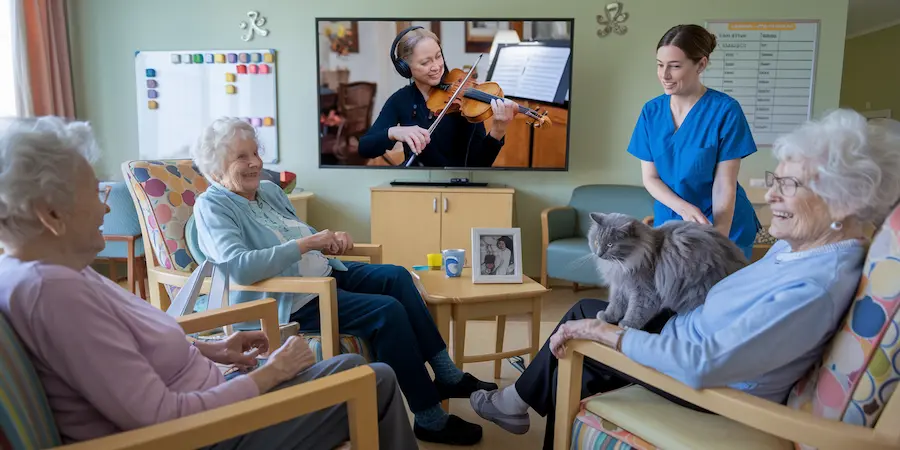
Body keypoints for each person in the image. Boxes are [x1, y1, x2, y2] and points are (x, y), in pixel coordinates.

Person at [469, 109, 900, 449]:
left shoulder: (816, 285)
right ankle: (516, 403)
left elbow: (703, 365)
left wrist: (611, 336)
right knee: (585, 314)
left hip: (708, 387)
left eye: (788, 185)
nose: (769, 195)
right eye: (774, 180)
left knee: (583, 339)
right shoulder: (802, 248)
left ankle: (513, 404)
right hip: (685, 335)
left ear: (846, 201)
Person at [0, 116, 418, 450]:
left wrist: (209, 348)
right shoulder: (53, 293)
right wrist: (271, 374)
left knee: (353, 365)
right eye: (94, 193)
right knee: (372, 380)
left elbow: (122, 349)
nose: (104, 206)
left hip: (212, 397)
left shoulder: (57, 272)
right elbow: (163, 418)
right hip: (207, 433)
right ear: (49, 216)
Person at [191, 117, 496, 446]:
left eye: (255, 153)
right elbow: (238, 268)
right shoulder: (212, 206)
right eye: (241, 157)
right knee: (387, 312)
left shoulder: (268, 190)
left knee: (398, 276)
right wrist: (306, 245)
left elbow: (295, 232)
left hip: (324, 272)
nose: (255, 163)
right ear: (216, 167)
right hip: (292, 299)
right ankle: (430, 418)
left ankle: (448, 376)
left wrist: (330, 239)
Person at [628, 24, 761, 260]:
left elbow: (724, 185)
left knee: (720, 291)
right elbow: (651, 178)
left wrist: (718, 240)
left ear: (701, 64)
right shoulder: (651, 112)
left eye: (675, 66)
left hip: (724, 222)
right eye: (660, 65)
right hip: (671, 222)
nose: (664, 75)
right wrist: (683, 208)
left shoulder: (725, 111)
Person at [357, 26, 519, 167]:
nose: (436, 66)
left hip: (457, 185)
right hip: (417, 184)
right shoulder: (401, 99)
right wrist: (393, 132)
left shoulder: (462, 99)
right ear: (405, 68)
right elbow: (365, 148)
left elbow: (480, 165)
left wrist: (497, 132)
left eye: (438, 56)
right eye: (425, 62)